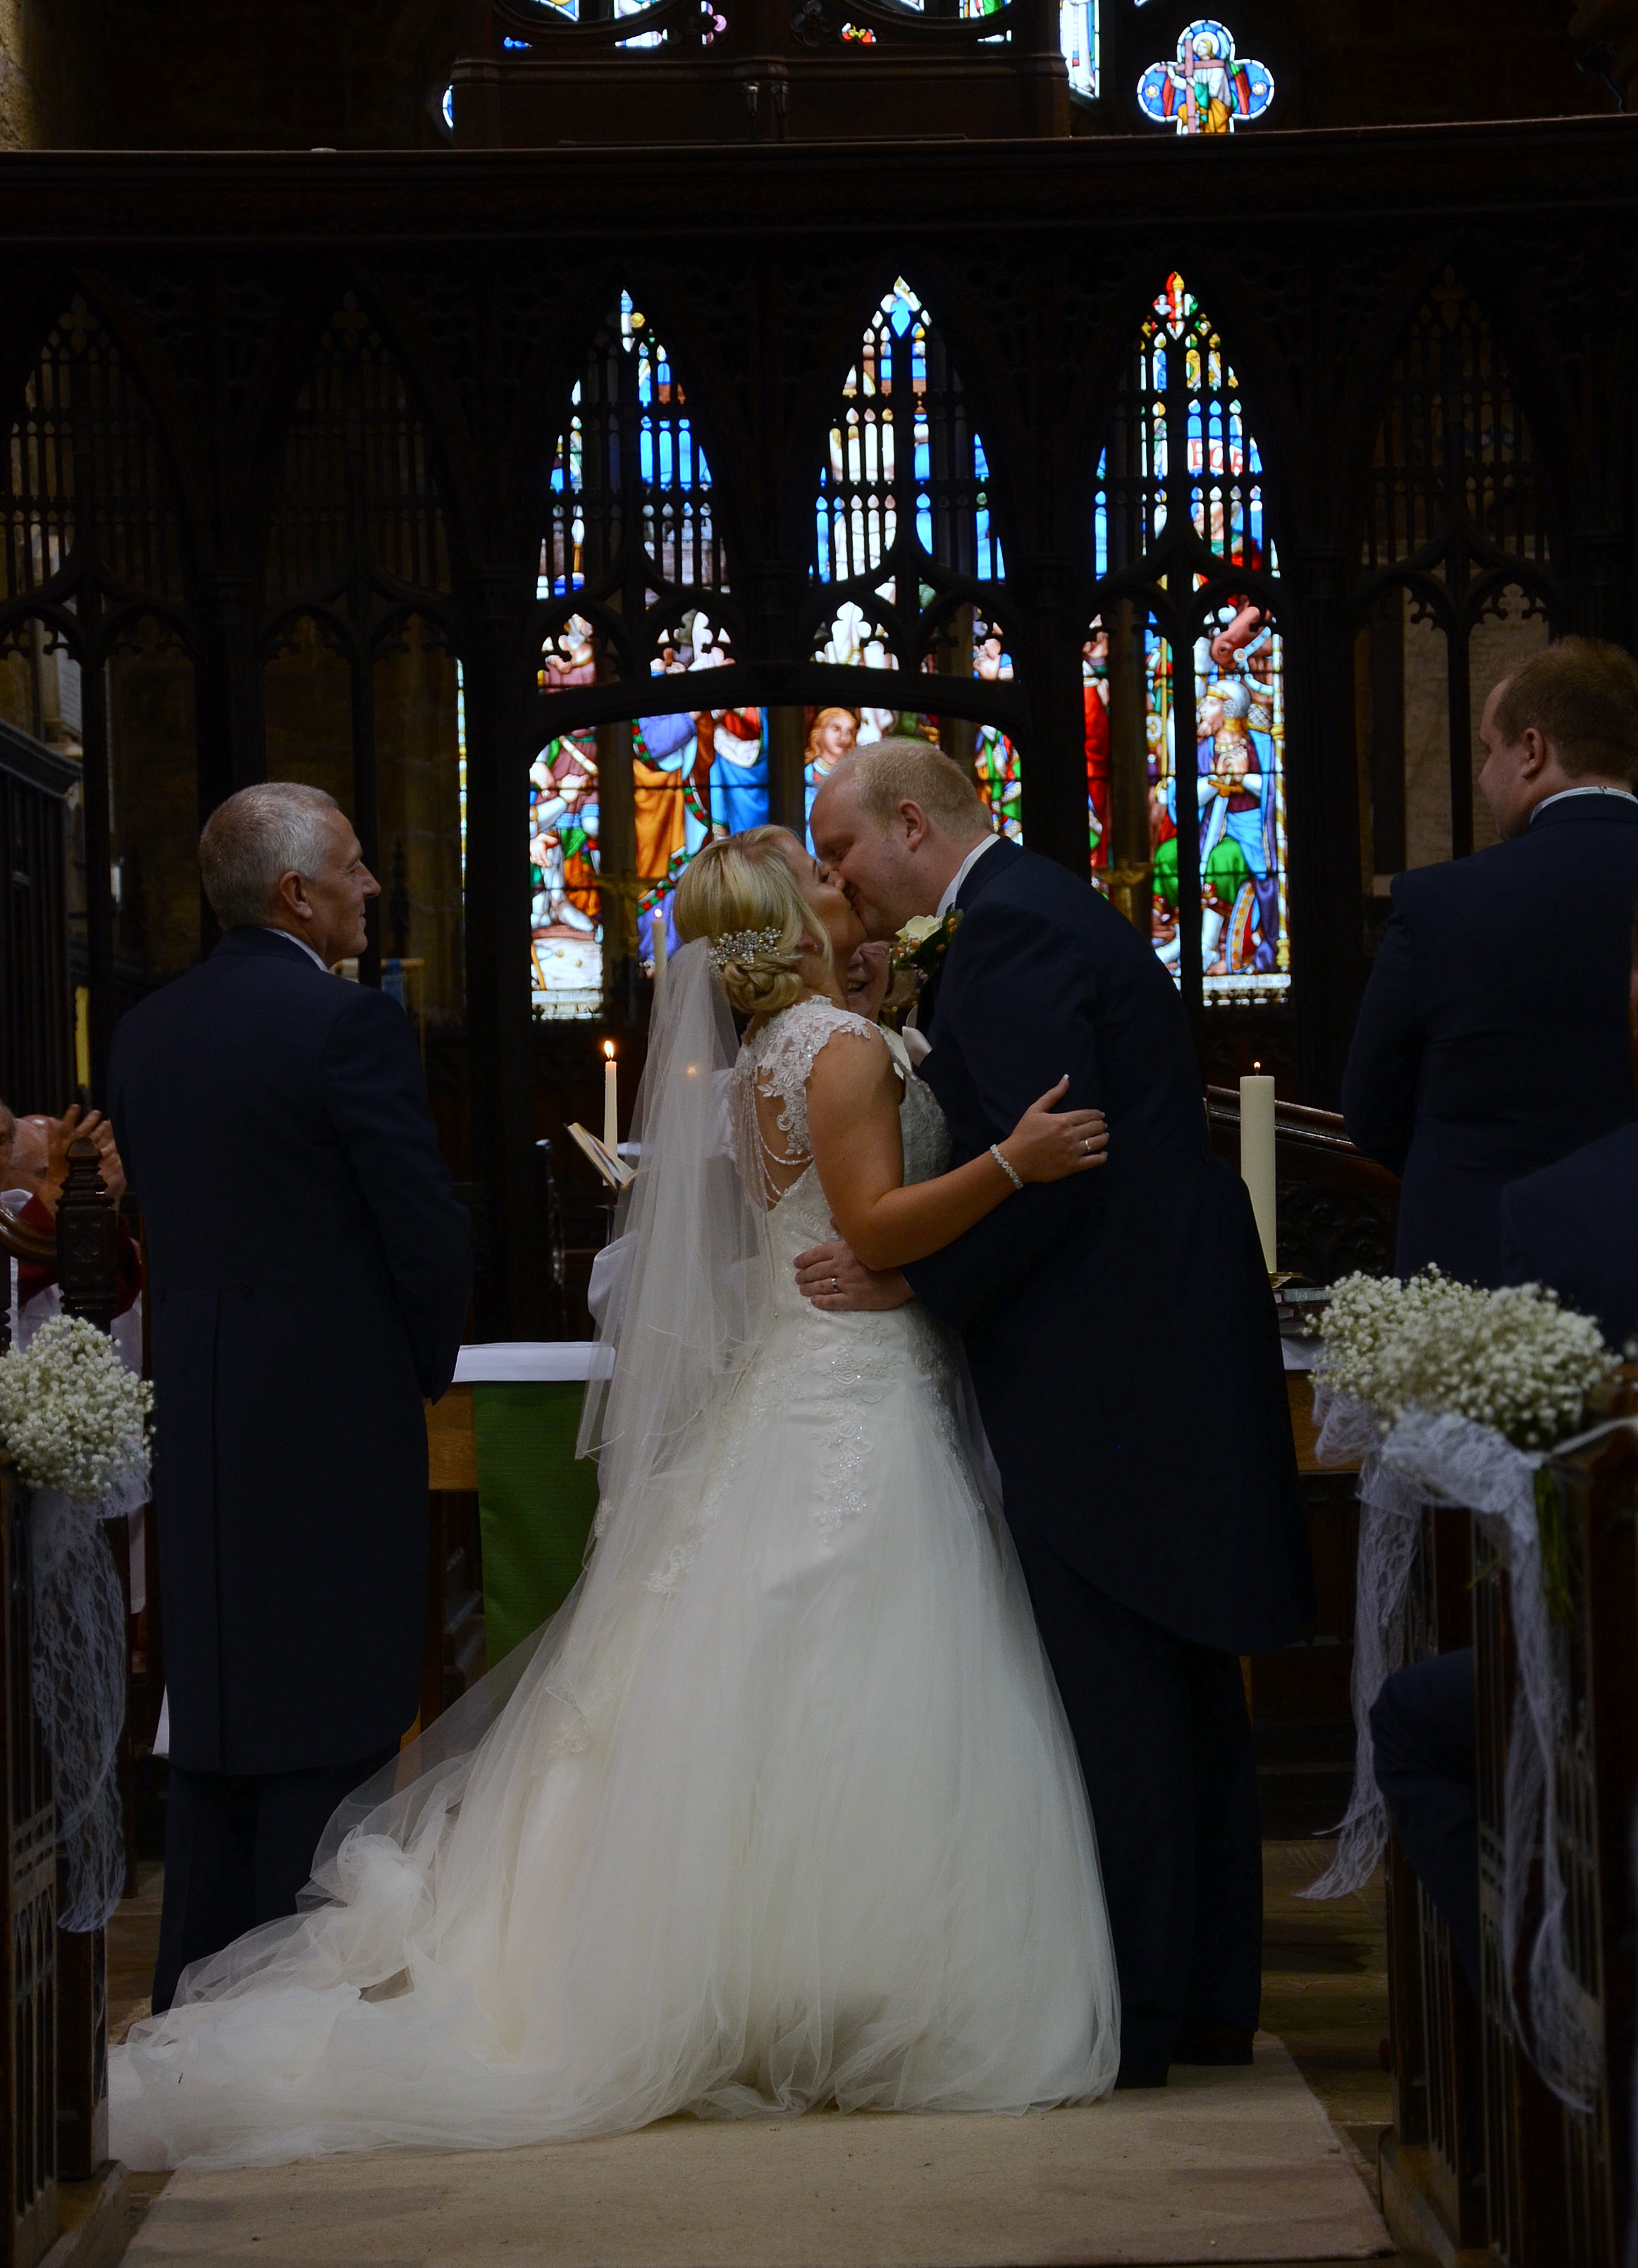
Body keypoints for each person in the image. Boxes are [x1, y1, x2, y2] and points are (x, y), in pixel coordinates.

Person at [111, 824, 1120, 2168]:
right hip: (850, 1393)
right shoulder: (843, 1047)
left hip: (793, 1377)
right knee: (866, 1672)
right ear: (788, 919)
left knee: (759, 1681)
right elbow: (868, 1227)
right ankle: (852, 1986)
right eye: (823, 876)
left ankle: (768, 1977)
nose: (849, 885)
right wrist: (1011, 1163)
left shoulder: (766, 1054)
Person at [808, 741, 1310, 2088]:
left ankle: (1139, 2015)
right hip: (1144, 1333)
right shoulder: (1020, 912)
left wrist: (911, 1275)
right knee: (1170, 1673)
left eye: (842, 848)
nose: (834, 877)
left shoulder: (1013, 930)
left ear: (910, 824)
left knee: (1118, 1686)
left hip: (1110, 1352)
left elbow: (1048, 1164)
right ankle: (1197, 1995)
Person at [106, 782, 472, 2017]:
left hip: (200, 1416)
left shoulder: (145, 1032)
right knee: (333, 1691)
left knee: (219, 1713)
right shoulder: (341, 1025)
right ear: (296, 892)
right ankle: (309, 1999)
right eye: (355, 866)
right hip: (326, 1407)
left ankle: (202, 1990)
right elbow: (418, 1225)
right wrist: (421, 1361)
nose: (374, 885)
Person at [1343, 636, 1638, 1285]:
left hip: (1483, 1275)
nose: (1481, 777)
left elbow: (1370, 1110)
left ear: (1532, 751)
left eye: (1487, 750)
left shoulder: (1441, 902)